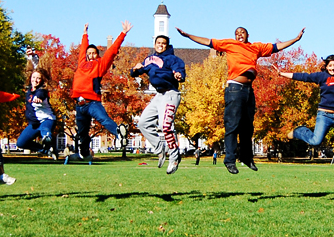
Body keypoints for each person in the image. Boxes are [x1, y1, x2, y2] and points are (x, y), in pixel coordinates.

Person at [176, 26, 304, 174]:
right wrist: (188, 35)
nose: (239, 35)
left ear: (248, 34)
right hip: (235, 89)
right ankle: (229, 160)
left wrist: (296, 39)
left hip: (249, 90)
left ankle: (246, 157)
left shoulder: (256, 47)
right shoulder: (230, 44)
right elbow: (207, 42)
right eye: (236, 33)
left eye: (241, 32)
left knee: (248, 127)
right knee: (232, 125)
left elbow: (276, 47)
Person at [68, 22, 131, 164]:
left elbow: (113, 50)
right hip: (79, 104)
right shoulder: (81, 63)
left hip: (92, 103)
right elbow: (83, 47)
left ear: (97, 55)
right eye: (88, 53)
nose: (90, 55)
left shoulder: (100, 64)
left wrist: (123, 34)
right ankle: (84, 154)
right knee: (82, 133)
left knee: (103, 119)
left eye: (93, 53)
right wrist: (85, 33)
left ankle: (119, 133)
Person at [131, 34, 187, 174]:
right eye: (158, 43)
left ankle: (174, 157)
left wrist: (178, 75)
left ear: (167, 46)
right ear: (154, 44)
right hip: (158, 96)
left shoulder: (173, 59)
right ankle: (159, 148)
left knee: (165, 125)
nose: (160, 45)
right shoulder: (149, 59)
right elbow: (136, 73)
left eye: (163, 43)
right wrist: (135, 69)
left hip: (171, 94)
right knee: (142, 123)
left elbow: (180, 72)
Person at [13, 50, 57, 160]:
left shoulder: (42, 90)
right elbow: (35, 68)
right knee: (21, 143)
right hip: (34, 123)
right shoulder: (29, 89)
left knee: (45, 133)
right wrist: (31, 57)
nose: (35, 80)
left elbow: (40, 94)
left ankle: (47, 140)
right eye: (34, 78)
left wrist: (38, 98)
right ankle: (46, 150)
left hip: (47, 120)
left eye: (38, 78)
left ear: (42, 80)